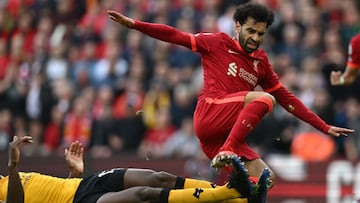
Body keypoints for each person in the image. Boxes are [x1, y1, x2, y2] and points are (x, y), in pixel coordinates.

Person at [107, 1, 354, 190]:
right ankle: (229, 150)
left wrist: (323, 126)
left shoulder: (261, 62)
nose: (255, 38)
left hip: (219, 138)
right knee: (265, 99)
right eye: (251, 31)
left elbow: (288, 99)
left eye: (261, 33)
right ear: (237, 25)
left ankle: (229, 178)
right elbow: (175, 35)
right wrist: (136, 24)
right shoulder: (216, 42)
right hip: (209, 114)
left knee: (265, 180)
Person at [0, 136, 270, 203]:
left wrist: (74, 173)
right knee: (143, 194)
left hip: (81, 185)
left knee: (158, 177)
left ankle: (242, 197)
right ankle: (232, 191)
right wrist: (13, 165)